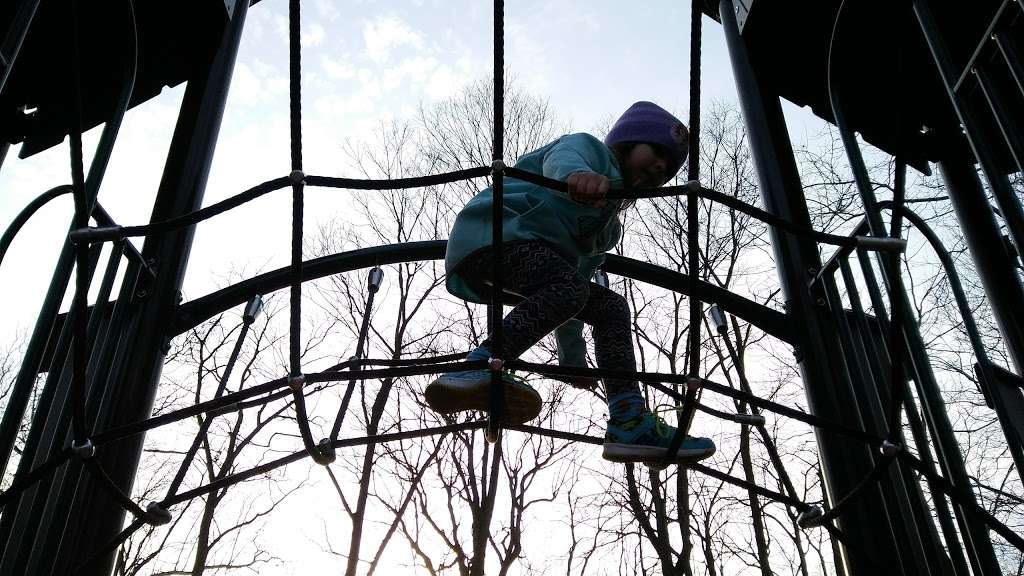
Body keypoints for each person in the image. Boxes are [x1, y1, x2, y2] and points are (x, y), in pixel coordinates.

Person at [426, 101, 715, 465]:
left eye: (669, 167)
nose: (661, 166)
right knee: (567, 286)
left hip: (533, 269)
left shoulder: (607, 227)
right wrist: (576, 174)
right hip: (494, 236)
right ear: (627, 142)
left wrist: (573, 360)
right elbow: (562, 158)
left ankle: (628, 418)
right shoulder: (590, 151)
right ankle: (480, 363)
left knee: (609, 306)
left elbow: (574, 288)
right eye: (657, 151)